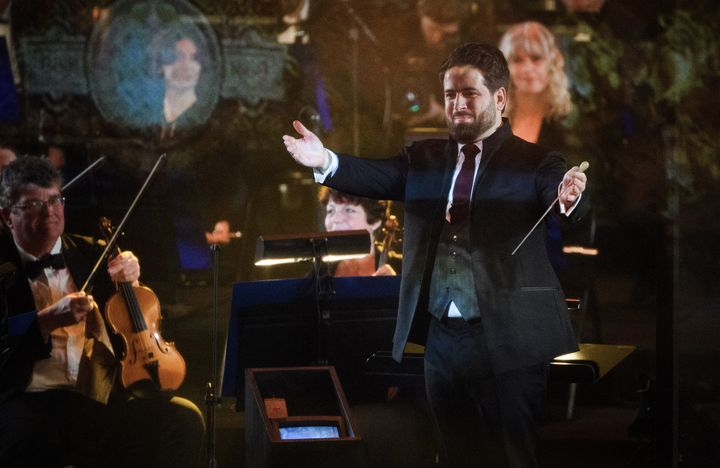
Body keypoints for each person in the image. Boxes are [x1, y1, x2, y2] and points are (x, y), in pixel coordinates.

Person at [283, 43, 589, 467]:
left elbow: (561, 195)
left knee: (510, 458)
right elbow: (377, 175)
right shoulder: (423, 158)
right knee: (454, 455)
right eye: (450, 95)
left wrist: (569, 196)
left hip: (508, 341)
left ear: (499, 99)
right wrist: (325, 160)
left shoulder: (535, 161)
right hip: (443, 342)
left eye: (470, 94)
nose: (458, 105)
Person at [0, 157, 204, 467]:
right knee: (30, 438)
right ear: (7, 217)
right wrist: (47, 320)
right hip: (27, 398)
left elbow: (133, 318)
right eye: (32, 205)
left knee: (184, 418)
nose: (50, 212)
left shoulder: (93, 251)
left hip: (98, 395)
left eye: (55, 200)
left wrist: (132, 279)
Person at [499, 21, 575, 274]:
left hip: (549, 234)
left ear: (552, 63)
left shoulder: (567, 125)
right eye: (518, 60)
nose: (528, 68)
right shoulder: (495, 121)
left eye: (536, 58)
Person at [319, 187, 396, 277]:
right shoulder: (319, 272)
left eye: (349, 210)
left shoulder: (405, 268)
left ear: (375, 221)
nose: (335, 219)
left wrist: (397, 286)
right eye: (330, 211)